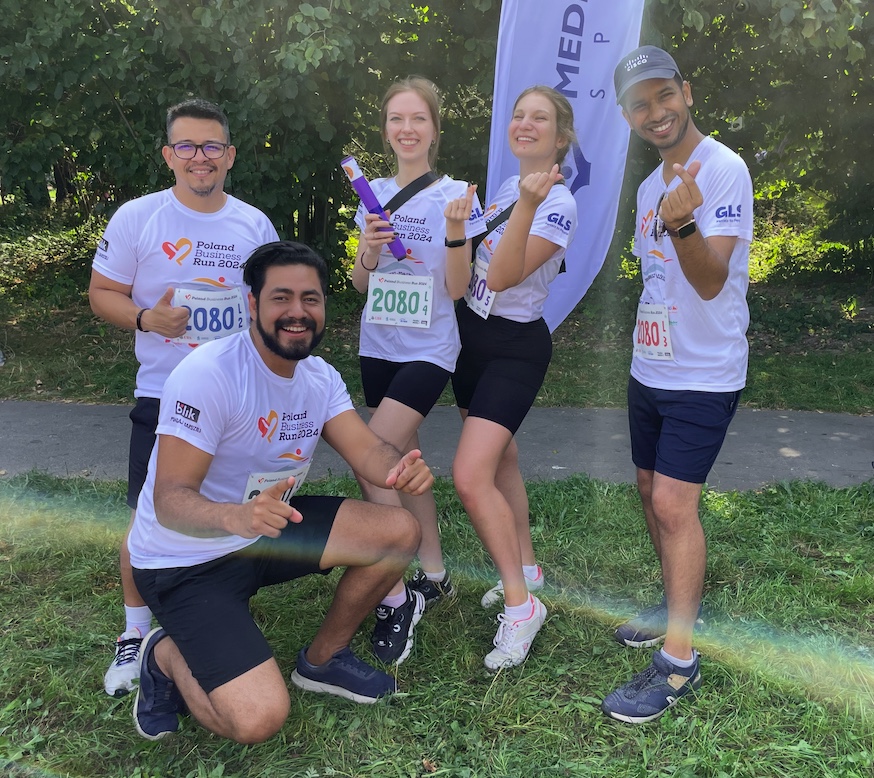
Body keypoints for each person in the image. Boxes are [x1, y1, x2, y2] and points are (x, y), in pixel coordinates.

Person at [129, 241, 432, 743]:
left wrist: (400, 469)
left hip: (265, 531)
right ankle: (162, 656)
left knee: (399, 530)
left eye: (310, 299)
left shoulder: (319, 377)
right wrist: (236, 518)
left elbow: (367, 453)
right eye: (281, 298)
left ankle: (323, 660)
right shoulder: (210, 375)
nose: (298, 312)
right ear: (252, 303)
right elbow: (170, 501)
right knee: (256, 720)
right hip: (183, 560)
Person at [89, 98, 279, 697]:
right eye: (188, 147)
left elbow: (271, 301)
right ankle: (135, 630)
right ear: (169, 155)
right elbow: (101, 293)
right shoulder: (138, 219)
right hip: (164, 394)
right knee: (149, 515)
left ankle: (217, 602)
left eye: (213, 146)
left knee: (226, 505)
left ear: (230, 155)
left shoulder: (253, 225)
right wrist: (149, 319)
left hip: (240, 396)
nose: (201, 158)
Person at [601, 46, 753, 723]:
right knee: (647, 491)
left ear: (686, 92)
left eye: (664, 95)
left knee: (672, 504)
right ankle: (673, 601)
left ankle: (679, 663)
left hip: (704, 373)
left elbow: (712, 278)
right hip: (651, 367)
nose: (656, 112)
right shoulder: (644, 189)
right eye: (640, 103)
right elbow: (657, 279)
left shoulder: (723, 170)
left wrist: (685, 220)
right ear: (628, 115)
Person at [350, 76, 486, 664]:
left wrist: (455, 232)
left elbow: (458, 291)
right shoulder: (372, 193)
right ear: (385, 130)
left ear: (434, 127)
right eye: (396, 119)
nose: (407, 129)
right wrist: (371, 250)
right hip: (377, 343)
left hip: (430, 347)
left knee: (372, 455)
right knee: (405, 462)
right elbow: (360, 284)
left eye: (418, 119)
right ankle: (433, 573)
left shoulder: (456, 195)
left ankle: (395, 590)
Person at [451, 86, 578, 670]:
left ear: (561, 137)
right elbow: (467, 267)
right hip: (471, 340)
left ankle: (523, 606)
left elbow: (501, 275)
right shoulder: (506, 188)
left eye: (541, 118)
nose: (526, 124)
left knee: (469, 475)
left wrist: (526, 207)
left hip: (514, 348)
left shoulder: (557, 203)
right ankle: (525, 569)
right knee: (501, 464)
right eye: (520, 115)